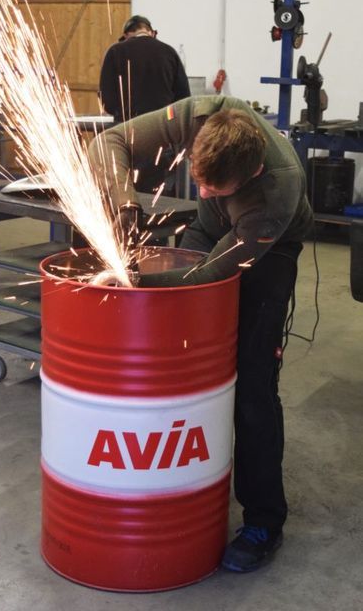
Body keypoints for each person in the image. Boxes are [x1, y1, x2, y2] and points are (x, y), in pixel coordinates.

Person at [89, 95, 313, 573]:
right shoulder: (202, 115)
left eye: (216, 186)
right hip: (210, 235)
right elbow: (107, 142)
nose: (204, 191)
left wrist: (136, 281)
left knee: (252, 388)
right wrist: (125, 205)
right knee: (178, 355)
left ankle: (264, 521)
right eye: (200, 179)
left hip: (267, 255)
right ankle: (183, 482)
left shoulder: (275, 194)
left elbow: (206, 277)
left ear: (251, 174)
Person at [98, 14, 190, 194]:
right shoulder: (169, 52)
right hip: (161, 137)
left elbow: (106, 101)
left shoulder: (116, 52)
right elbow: (183, 100)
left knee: (125, 194)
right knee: (161, 198)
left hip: (126, 136)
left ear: (126, 35)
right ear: (152, 32)